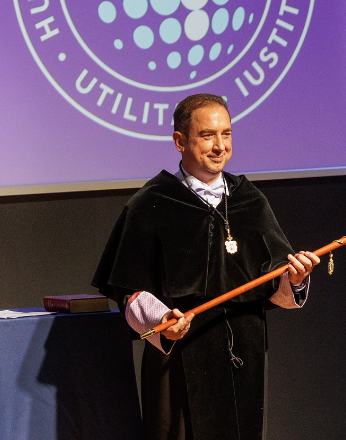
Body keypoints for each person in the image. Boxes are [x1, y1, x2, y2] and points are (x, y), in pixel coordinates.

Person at [92, 94, 320, 440]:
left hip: (245, 351)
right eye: (208, 135)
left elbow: (275, 285)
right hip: (180, 357)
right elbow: (129, 289)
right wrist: (161, 321)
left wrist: (295, 280)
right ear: (180, 141)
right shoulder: (151, 203)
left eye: (226, 134)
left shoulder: (249, 201)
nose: (220, 146)